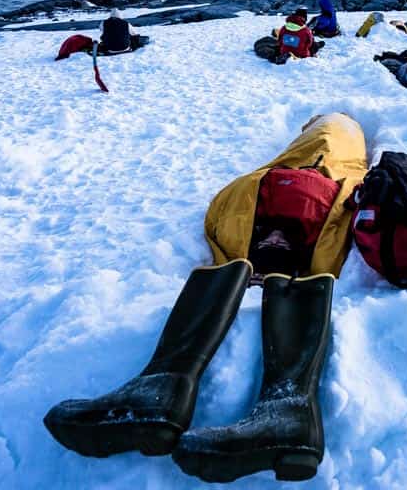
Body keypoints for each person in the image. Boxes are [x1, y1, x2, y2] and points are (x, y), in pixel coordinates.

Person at [43, 114, 367, 483]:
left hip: (279, 184)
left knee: (229, 266)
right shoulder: (350, 136)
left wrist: (228, 253)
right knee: (270, 272)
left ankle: (167, 385)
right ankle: (286, 409)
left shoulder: (324, 128)